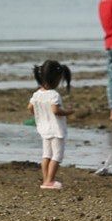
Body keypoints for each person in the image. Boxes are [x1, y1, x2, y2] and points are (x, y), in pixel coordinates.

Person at [30, 60, 73, 190]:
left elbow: (30, 107)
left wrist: (40, 115)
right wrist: (68, 112)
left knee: (46, 155)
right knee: (57, 156)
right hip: (56, 130)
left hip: (43, 129)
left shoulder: (37, 94)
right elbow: (56, 110)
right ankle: (50, 180)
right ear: (57, 78)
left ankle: (45, 180)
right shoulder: (54, 95)